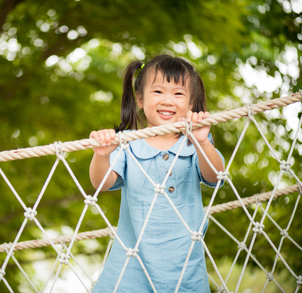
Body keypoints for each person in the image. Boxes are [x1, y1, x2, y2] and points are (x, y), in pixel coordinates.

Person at [89, 55, 225, 292]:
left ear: (191, 103)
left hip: (184, 264)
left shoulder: (195, 142)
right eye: (158, 92)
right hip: (132, 263)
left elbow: (216, 176)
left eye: (178, 93)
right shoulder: (129, 145)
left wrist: (202, 141)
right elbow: (102, 183)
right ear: (140, 100)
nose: (168, 100)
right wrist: (101, 155)